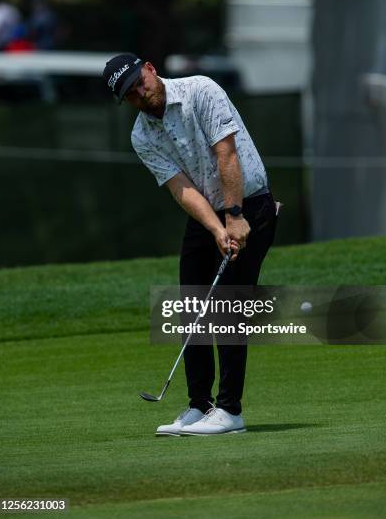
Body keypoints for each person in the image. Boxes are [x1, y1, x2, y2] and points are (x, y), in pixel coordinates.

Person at [103, 53, 278, 436]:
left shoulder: (201, 90)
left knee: (229, 304)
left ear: (150, 68)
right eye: (129, 94)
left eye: (139, 82)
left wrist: (234, 217)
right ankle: (200, 405)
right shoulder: (141, 135)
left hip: (249, 205)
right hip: (207, 213)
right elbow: (181, 189)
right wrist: (216, 228)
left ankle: (230, 411)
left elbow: (226, 153)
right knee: (192, 305)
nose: (139, 93)